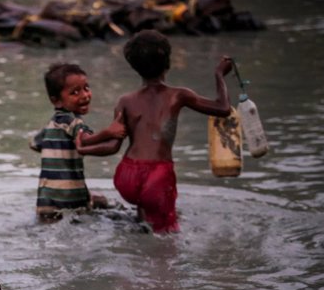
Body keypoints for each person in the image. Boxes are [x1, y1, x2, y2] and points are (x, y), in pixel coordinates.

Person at [77, 29, 233, 233]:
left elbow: (113, 146)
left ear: (134, 67)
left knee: (144, 219)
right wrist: (219, 74)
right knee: (167, 237)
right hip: (157, 174)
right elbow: (223, 108)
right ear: (167, 62)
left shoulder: (125, 101)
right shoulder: (179, 95)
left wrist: (83, 149)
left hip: (127, 176)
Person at [29, 62, 125, 220]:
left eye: (86, 88)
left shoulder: (50, 125)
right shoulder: (74, 122)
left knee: (97, 201)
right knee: (110, 212)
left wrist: (58, 151)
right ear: (56, 101)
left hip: (45, 201)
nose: (85, 95)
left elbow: (34, 144)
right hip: (71, 200)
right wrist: (110, 132)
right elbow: (86, 141)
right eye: (75, 92)